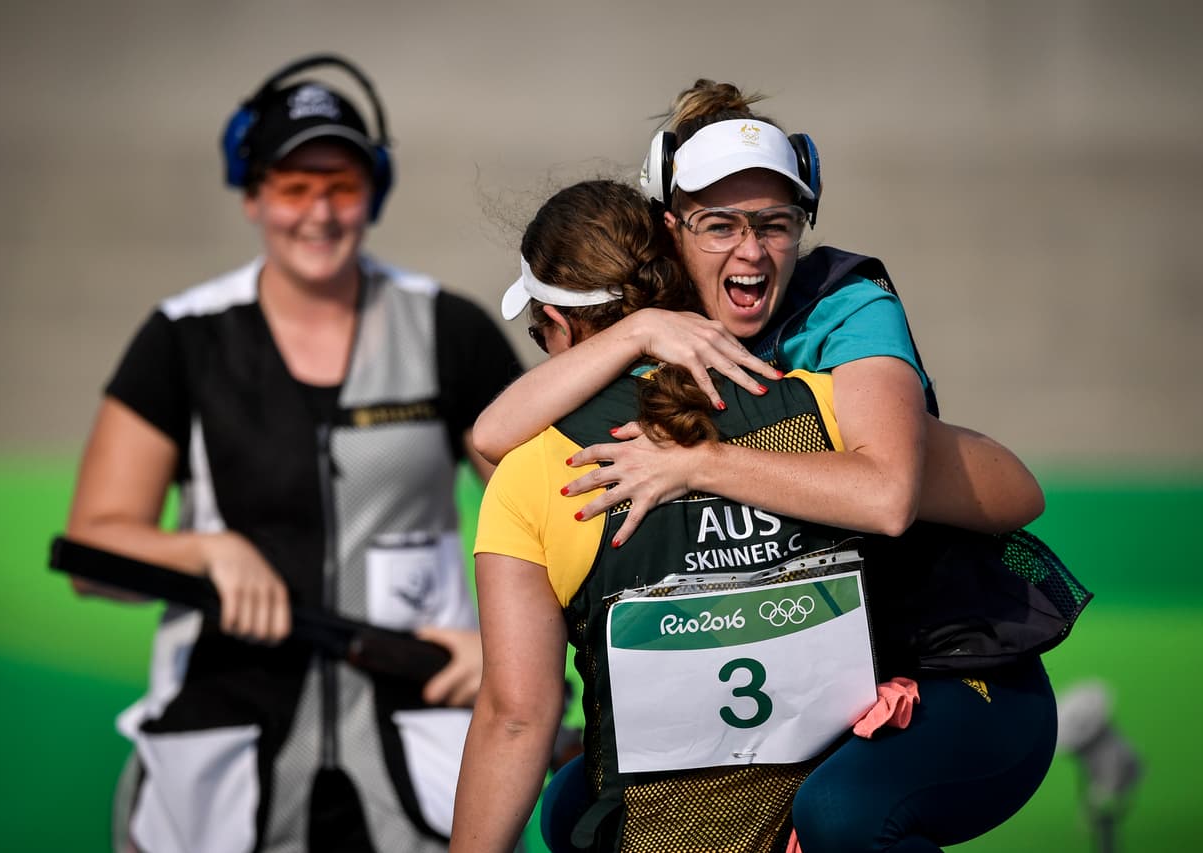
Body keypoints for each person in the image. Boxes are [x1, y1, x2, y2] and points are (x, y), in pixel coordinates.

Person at [470, 80, 1061, 851]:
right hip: (841, 680)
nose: (750, 248)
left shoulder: (842, 322)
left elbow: (917, 497)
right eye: (720, 224)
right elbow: (490, 435)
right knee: (579, 802)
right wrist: (638, 331)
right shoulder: (689, 348)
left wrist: (703, 462)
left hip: (954, 662)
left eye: (775, 225)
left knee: (838, 817)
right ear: (671, 232)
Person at [63, 54, 522, 853]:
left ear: (373, 191)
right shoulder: (183, 339)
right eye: (293, 186)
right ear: (252, 194)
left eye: (341, 185)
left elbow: (549, 524)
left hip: (422, 746)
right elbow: (92, 550)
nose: (319, 212)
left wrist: (503, 650)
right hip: (222, 754)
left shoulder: (450, 330)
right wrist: (204, 551)